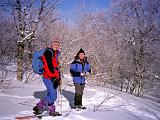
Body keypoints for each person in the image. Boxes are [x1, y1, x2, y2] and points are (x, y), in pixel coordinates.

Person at [33, 38, 61, 116]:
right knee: (53, 96)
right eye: (55, 44)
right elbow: (48, 67)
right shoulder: (48, 52)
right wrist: (53, 77)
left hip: (54, 78)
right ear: (51, 44)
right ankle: (39, 107)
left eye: (58, 45)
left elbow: (55, 67)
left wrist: (58, 77)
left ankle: (51, 110)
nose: (57, 46)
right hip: (48, 78)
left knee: (51, 95)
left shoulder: (55, 53)